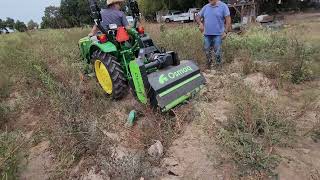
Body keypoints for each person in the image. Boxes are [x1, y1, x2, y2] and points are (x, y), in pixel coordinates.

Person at [196, 0, 231, 69]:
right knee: (207, 51)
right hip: (207, 34)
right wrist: (200, 23)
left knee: (217, 52)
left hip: (218, 34)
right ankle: (209, 66)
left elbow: (228, 19)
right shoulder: (206, 7)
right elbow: (197, 16)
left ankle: (218, 67)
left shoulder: (223, 6)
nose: (210, 0)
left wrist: (226, 31)